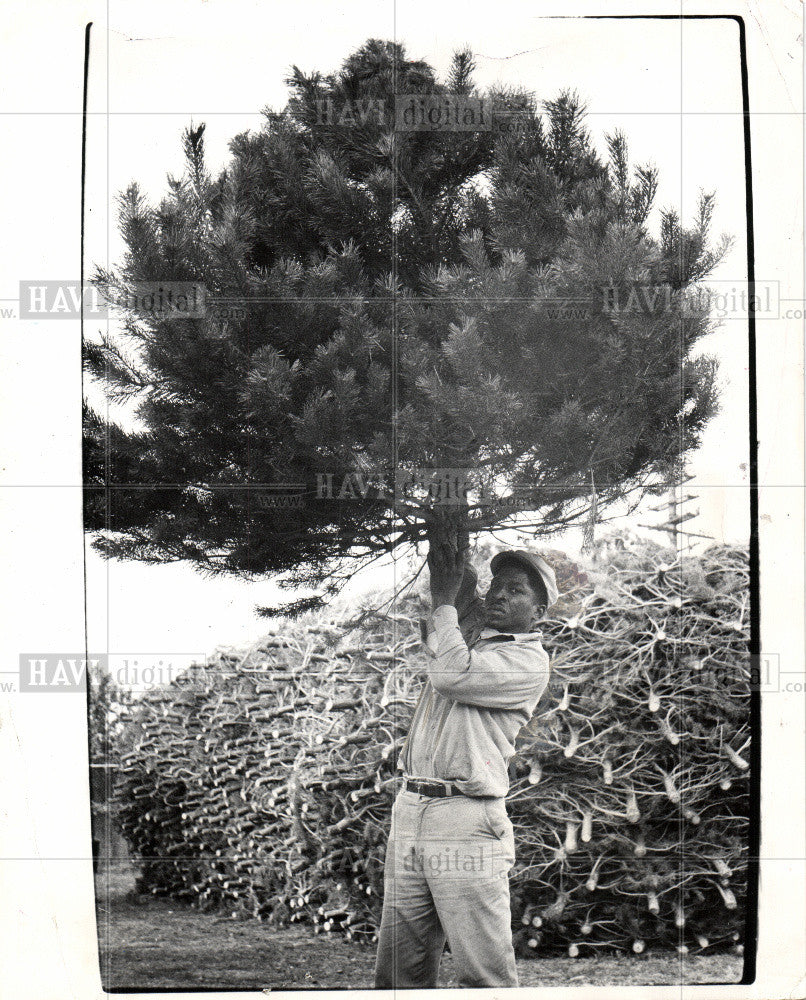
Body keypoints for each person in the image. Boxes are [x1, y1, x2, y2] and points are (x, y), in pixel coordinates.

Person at [374, 541, 558, 989]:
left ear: (538, 614)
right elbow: (450, 609)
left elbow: (451, 674)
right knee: (398, 975)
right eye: (497, 586)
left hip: (465, 818)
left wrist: (444, 602)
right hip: (411, 807)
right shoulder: (473, 639)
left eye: (515, 591)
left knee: (483, 975)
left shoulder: (527, 661)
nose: (499, 595)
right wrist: (450, 547)